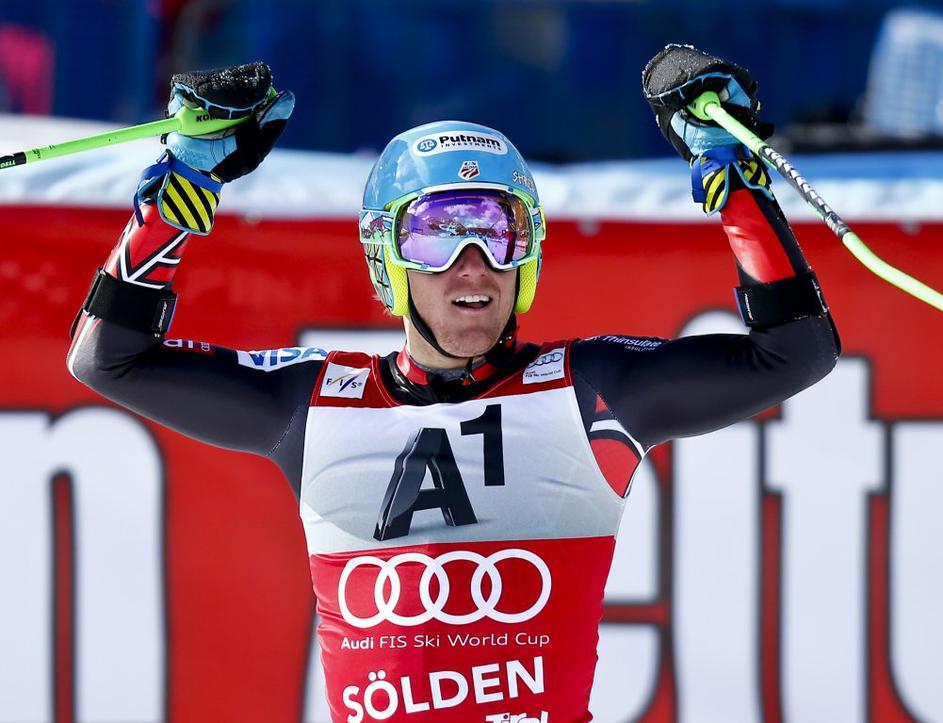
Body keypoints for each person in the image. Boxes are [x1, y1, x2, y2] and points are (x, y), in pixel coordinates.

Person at [67, 46, 838, 723]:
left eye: (498, 231)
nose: (473, 266)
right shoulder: (312, 404)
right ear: (386, 257)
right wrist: (176, 192)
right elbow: (107, 358)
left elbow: (793, 353)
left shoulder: (590, 390)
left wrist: (737, 186)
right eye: (436, 234)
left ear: (527, 251)